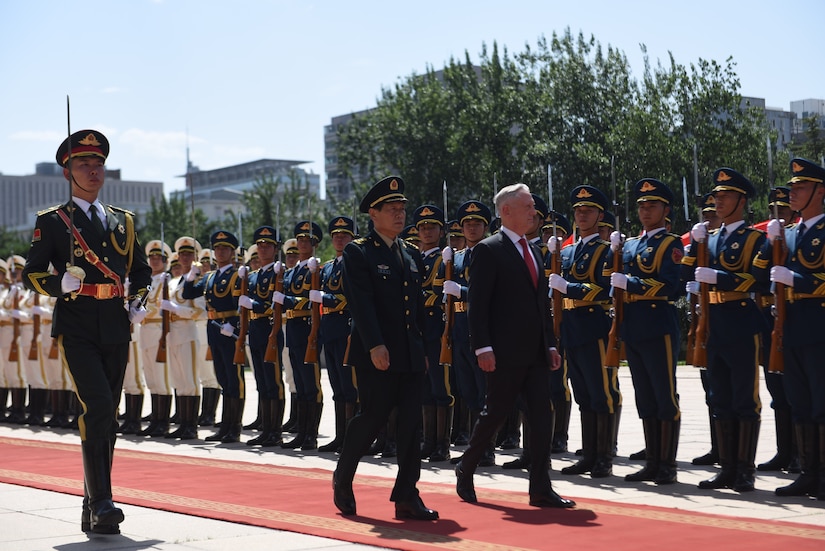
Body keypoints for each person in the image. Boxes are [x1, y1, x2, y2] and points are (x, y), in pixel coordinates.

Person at [22, 129, 152, 534]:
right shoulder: (54, 221)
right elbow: (32, 273)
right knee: (96, 407)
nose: (93, 171)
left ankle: (92, 508)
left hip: (115, 324)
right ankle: (103, 500)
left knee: (106, 414)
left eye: (98, 165)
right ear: (67, 173)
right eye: (83, 165)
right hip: (77, 325)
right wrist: (56, 284)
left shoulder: (123, 221)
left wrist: (138, 302)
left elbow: (142, 272)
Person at [455, 183, 574, 509]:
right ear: (506, 211)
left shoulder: (534, 251)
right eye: (527, 207)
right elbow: (478, 305)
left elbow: (540, 305)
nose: (533, 213)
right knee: (494, 414)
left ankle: (540, 488)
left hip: (535, 351)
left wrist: (550, 344)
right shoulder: (489, 249)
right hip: (504, 352)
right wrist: (482, 348)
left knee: (541, 416)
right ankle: (466, 466)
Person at [333, 175, 438, 520]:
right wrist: (376, 345)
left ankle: (407, 495)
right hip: (375, 353)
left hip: (408, 353)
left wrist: (421, 347)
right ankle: (343, 476)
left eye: (401, 209)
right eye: (391, 209)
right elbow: (361, 304)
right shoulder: (358, 251)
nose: (399, 214)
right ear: (373, 214)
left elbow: (417, 305)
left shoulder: (409, 253)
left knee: (411, 424)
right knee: (373, 417)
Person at [683, 168, 766, 492]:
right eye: (716, 196)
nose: (718, 201)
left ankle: (745, 469)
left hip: (741, 320)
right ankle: (727, 468)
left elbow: (758, 281)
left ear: (741, 201)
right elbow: (683, 275)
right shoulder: (709, 238)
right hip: (713, 323)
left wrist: (721, 278)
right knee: (719, 397)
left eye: (725, 196)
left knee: (745, 397)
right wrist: (692, 249)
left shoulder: (754, 239)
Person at [753, 158, 825, 500]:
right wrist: (770, 244)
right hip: (789, 326)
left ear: (820, 191)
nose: (792, 192)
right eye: (792, 187)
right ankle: (808, 472)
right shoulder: (789, 233)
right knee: (799, 401)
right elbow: (757, 275)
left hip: (819, 327)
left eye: (800, 187)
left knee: (822, 402)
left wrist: (799, 280)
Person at [609, 178, 683, 485]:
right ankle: (652, 460)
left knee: (664, 395)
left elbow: (671, 286)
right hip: (635, 326)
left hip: (658, 324)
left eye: (652, 205)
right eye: (641, 206)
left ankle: (667, 463)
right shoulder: (629, 245)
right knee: (645, 396)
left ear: (665, 209)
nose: (645, 211)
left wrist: (634, 285)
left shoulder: (671, 244)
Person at [549, 185, 620, 478]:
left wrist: (571, 288)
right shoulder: (566, 252)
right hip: (571, 329)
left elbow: (605, 291)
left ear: (599, 215)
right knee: (582, 395)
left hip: (594, 328)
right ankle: (589, 454)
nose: (582, 215)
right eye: (578, 211)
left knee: (600, 393)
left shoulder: (605, 251)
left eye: (588, 210)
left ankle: (603, 456)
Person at [443, 200, 493, 464]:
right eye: (467, 224)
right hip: (460, 328)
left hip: (481, 330)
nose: (471, 228)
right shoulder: (458, 257)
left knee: (484, 391)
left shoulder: (491, 252)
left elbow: (490, 294)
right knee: (468, 391)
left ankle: (486, 449)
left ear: (485, 226)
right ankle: (475, 447)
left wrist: (461, 292)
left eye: (477, 224)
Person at [182, 230, 245, 443]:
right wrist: (191, 277)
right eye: (217, 248)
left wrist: (235, 327)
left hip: (229, 331)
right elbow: (187, 294)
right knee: (222, 378)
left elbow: (241, 305)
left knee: (234, 379)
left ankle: (234, 427)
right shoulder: (209, 277)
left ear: (232, 252)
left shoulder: (237, 275)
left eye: (225, 248)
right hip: (213, 329)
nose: (220, 252)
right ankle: (225, 426)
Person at [756, 187, 800, 473]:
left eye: (782, 211)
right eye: (774, 212)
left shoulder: (800, 238)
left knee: (799, 393)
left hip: (796, 320)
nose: (778, 217)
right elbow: (757, 275)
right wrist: (769, 243)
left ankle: (803, 456)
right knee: (777, 393)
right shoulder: (771, 240)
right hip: (769, 322)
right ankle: (784, 451)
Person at [273, 220, 325, 450]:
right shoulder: (293, 271)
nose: (303, 243)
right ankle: (301, 432)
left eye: (308, 240)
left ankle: (311, 434)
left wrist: (289, 300)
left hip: (307, 326)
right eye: (300, 240)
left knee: (311, 384)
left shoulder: (317, 269)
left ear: (315, 244)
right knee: (301, 384)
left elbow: (315, 298)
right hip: (292, 328)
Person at [313, 216, 357, 453]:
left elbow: (351, 297)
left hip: (344, 328)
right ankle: (341, 436)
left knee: (349, 387)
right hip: (329, 329)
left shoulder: (354, 264)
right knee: (337, 387)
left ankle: (351, 437)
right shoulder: (329, 267)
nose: (340, 239)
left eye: (345, 235)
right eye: (336, 235)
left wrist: (325, 298)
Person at [413, 204, 454, 462]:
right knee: (425, 389)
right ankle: (428, 441)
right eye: (423, 227)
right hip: (417, 332)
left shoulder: (445, 259)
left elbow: (440, 295)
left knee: (442, 388)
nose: (427, 231)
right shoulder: (413, 259)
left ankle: (442, 444)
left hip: (437, 331)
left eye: (432, 227)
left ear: (441, 231)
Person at [689, 192, 724, 467]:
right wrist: (692, 247)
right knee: (711, 391)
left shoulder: (727, 243)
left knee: (731, 393)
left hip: (727, 320)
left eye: (713, 214)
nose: (709, 219)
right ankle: (717, 448)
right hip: (705, 323)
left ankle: (732, 456)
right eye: (706, 215)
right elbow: (682, 274)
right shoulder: (702, 244)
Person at [161, 236, 206, 440]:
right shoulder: (172, 282)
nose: (185, 258)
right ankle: (182, 423)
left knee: (189, 380)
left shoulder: (197, 280)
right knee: (178, 379)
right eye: (182, 254)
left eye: (189, 254)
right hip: (172, 334)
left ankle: (191, 426)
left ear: (194, 256)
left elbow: (201, 312)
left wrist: (177, 309)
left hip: (187, 333)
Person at [136, 240, 174, 437]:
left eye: (159, 258)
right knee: (151, 378)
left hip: (159, 330)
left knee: (161, 378)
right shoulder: (147, 281)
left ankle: (163, 421)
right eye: (152, 257)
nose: (154, 261)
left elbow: (160, 306)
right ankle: (155, 419)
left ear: (166, 261)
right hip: (145, 331)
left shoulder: (167, 281)